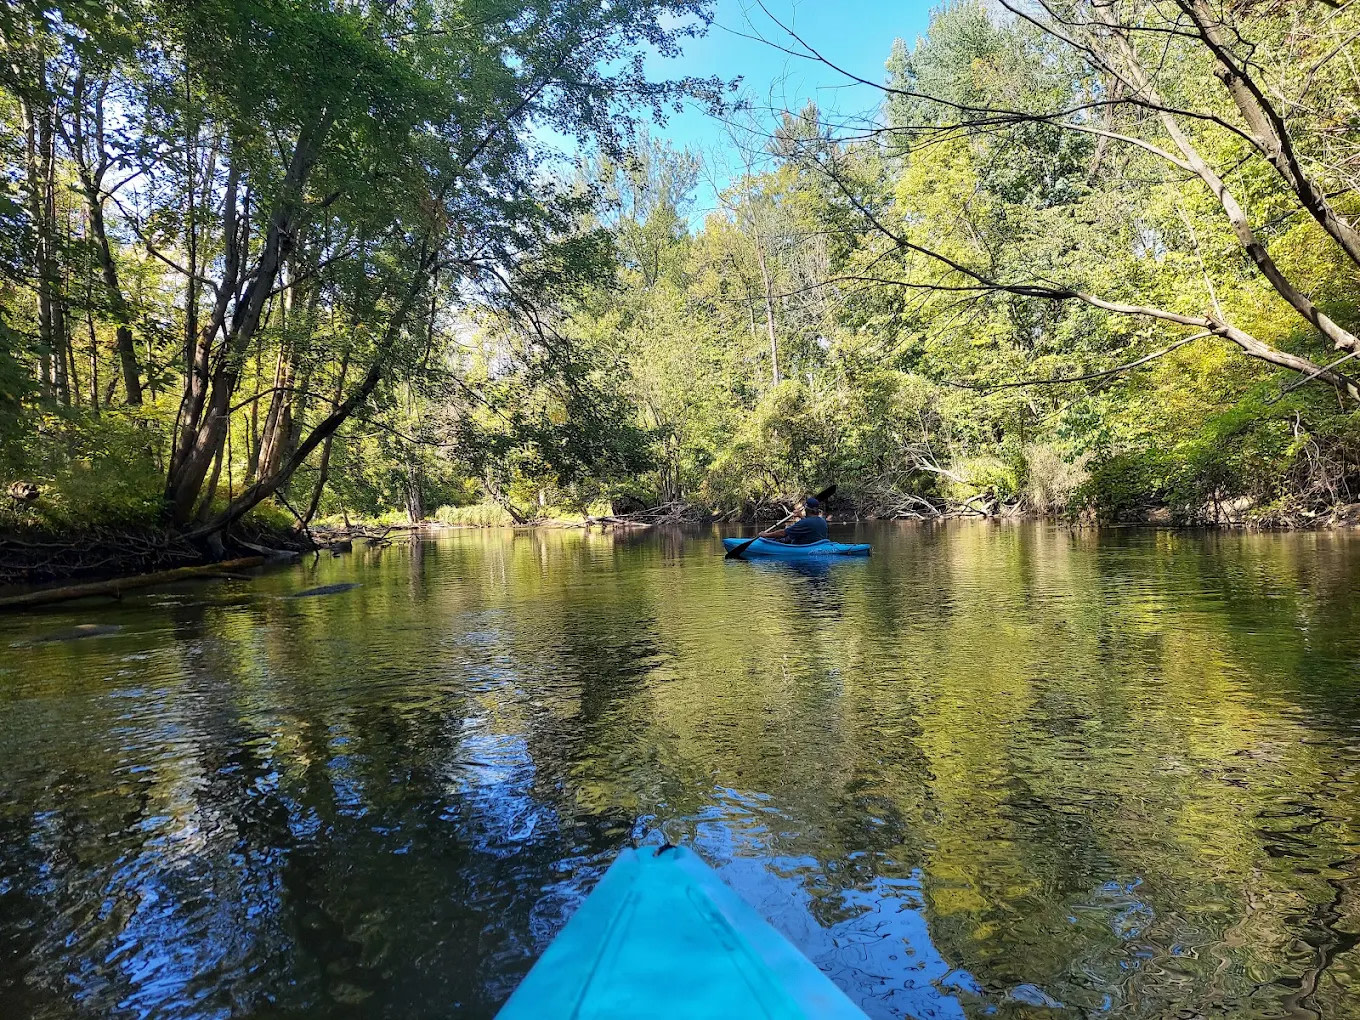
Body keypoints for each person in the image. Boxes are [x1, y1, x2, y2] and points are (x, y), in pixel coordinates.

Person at [762, 496, 829, 545]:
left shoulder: (804, 523)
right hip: (816, 545)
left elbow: (783, 533)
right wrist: (801, 516)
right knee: (789, 538)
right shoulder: (823, 521)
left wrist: (766, 535)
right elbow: (810, 524)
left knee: (786, 537)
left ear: (806, 509)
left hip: (802, 548)